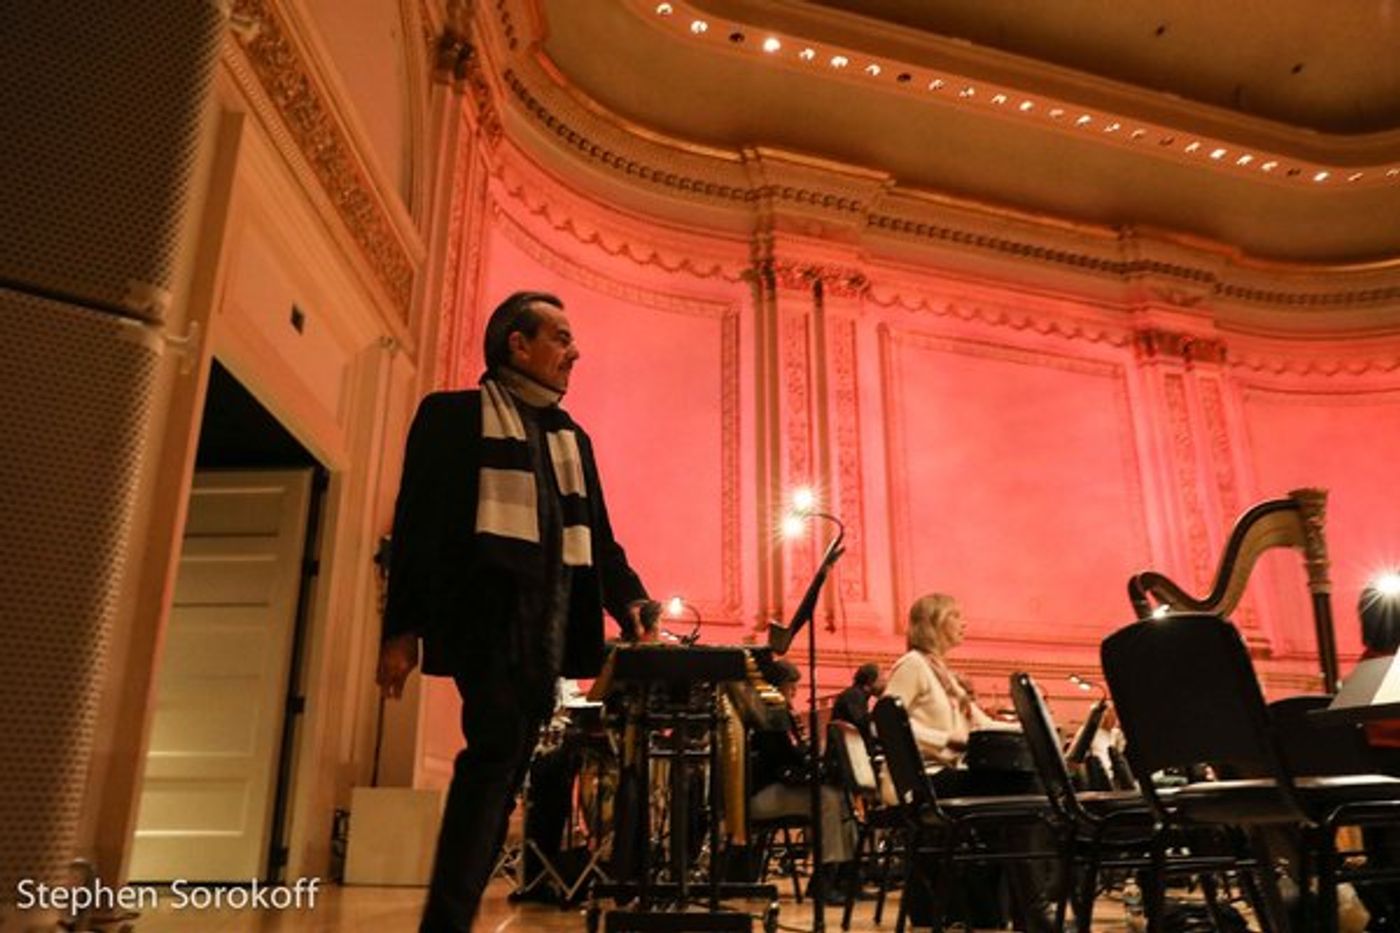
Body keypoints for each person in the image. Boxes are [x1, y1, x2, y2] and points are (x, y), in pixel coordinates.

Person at [376, 291, 655, 932]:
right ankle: (445, 923)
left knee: (501, 776)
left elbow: (600, 542)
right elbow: (417, 527)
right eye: (561, 337)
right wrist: (402, 629)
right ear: (518, 345)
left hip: (549, 640)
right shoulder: (451, 417)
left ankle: (451, 916)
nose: (574, 352)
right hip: (487, 628)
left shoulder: (573, 439)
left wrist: (632, 601)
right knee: (495, 755)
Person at [748, 659, 857, 902]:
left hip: (777, 788)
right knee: (827, 799)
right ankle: (824, 880)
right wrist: (815, 765)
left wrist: (817, 764)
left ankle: (844, 874)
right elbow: (784, 757)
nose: (795, 692)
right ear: (777, 686)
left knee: (841, 797)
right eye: (791, 686)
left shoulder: (781, 713)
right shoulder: (769, 714)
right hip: (759, 795)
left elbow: (797, 754)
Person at [883, 593, 994, 776]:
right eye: (955, 616)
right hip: (923, 776)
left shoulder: (944, 676)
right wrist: (945, 740)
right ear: (934, 623)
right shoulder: (913, 664)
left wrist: (1029, 729)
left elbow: (984, 724)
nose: (964, 623)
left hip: (947, 772)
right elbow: (886, 724)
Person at [831, 662, 881, 751]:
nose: (884, 683)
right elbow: (861, 723)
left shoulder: (857, 694)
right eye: (881, 679)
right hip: (849, 750)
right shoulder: (854, 695)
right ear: (870, 681)